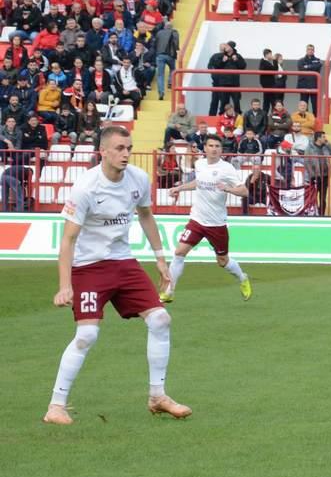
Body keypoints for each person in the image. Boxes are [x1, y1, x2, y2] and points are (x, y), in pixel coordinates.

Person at [44, 125, 191, 425]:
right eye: (120, 149)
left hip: (123, 262)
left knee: (161, 319)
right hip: (88, 267)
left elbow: (146, 216)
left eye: (129, 148)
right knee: (87, 334)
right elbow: (68, 240)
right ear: (104, 152)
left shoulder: (137, 178)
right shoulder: (86, 187)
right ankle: (56, 406)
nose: (126, 154)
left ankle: (157, 396)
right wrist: (64, 286)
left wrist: (160, 259)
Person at [161, 136, 254, 302]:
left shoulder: (226, 168)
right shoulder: (200, 164)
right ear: (205, 147)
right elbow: (199, 182)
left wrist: (228, 188)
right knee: (179, 252)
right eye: (211, 145)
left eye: (217, 146)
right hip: (197, 219)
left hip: (216, 224)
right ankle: (170, 291)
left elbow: (244, 191)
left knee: (223, 261)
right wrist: (180, 188)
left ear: (221, 149)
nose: (214, 149)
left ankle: (242, 278)